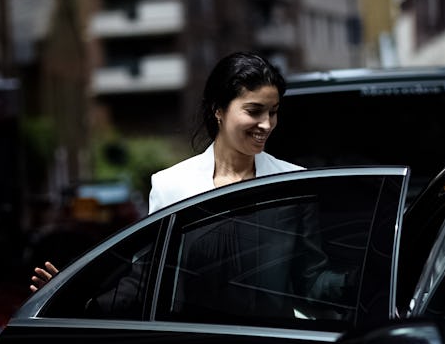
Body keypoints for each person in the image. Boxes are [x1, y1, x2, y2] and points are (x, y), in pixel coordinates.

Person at [30, 51, 304, 293]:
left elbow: (311, 279)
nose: (267, 124)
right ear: (218, 110)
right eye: (254, 111)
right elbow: (146, 282)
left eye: (273, 112)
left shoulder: (294, 182)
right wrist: (67, 295)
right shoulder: (171, 186)